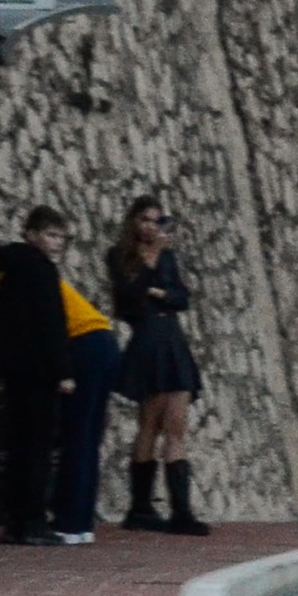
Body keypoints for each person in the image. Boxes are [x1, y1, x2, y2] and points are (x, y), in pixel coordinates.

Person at [107, 195, 209, 535]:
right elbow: (129, 299)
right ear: (134, 222)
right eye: (145, 219)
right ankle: (141, 506)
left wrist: (160, 292)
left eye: (156, 220)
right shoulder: (121, 256)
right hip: (148, 338)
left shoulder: (168, 256)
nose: (151, 226)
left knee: (177, 423)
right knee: (150, 422)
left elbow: (181, 297)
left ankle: (181, 510)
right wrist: (151, 270)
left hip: (171, 338)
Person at [0, 208, 75, 546]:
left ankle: (15, 519)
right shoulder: (41, 271)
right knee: (39, 446)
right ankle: (34, 520)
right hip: (39, 373)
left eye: (59, 237)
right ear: (32, 234)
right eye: (50, 235)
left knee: (19, 447)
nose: (55, 243)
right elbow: (52, 324)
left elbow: (4, 325)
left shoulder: (10, 268)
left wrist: (1, 368)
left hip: (15, 371)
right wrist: (64, 371)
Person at [51, 227, 123, 545]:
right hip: (105, 343)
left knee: (75, 438)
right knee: (89, 439)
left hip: (84, 347)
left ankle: (67, 524)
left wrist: (63, 372)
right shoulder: (54, 282)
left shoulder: (27, 282)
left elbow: (50, 333)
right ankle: (82, 523)